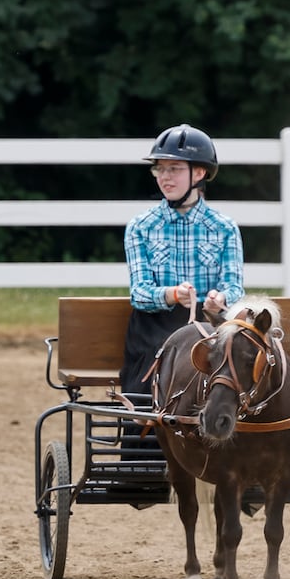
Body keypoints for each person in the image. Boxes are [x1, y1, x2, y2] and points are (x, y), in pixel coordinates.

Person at [120, 124, 244, 396]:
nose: (164, 177)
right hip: (154, 329)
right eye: (159, 169)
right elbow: (139, 293)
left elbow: (234, 287)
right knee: (145, 392)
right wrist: (172, 294)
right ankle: (141, 436)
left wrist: (220, 299)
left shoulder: (224, 228)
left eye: (174, 169)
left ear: (199, 173)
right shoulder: (141, 227)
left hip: (209, 327)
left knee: (233, 376)